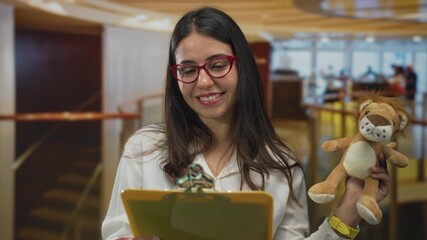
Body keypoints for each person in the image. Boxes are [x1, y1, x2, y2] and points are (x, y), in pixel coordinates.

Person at [102, 7, 390, 240]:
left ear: (243, 67)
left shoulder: (280, 164)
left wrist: (351, 204)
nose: (203, 82)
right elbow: (117, 231)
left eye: (217, 65)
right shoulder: (146, 148)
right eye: (188, 70)